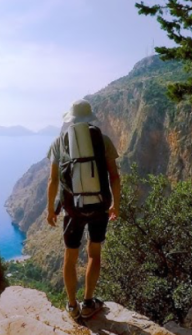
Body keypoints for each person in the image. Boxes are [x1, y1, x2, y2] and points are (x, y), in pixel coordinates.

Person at [46, 99, 120, 320]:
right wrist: (116, 204)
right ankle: (88, 302)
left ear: (71, 119)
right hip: (99, 206)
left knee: (70, 256)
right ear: (90, 117)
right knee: (93, 254)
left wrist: (51, 209)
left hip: (72, 209)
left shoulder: (59, 142)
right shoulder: (103, 140)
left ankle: (71, 306)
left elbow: (52, 180)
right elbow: (114, 176)